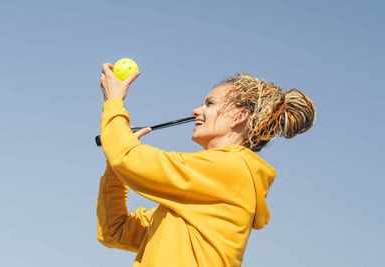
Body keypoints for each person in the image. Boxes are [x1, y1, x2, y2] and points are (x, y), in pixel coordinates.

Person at [97, 63, 316, 267]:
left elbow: (130, 161)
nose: (195, 111)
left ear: (239, 116)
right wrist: (114, 162)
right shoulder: (192, 197)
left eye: (209, 103)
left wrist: (114, 102)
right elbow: (115, 231)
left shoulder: (233, 169)